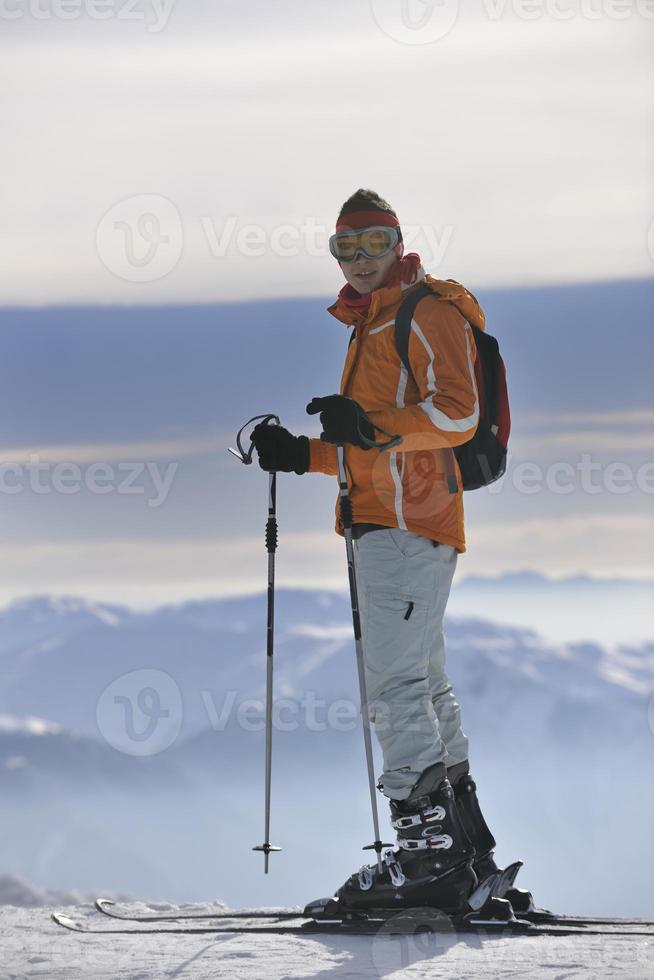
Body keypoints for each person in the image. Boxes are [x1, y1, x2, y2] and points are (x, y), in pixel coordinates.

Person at [251, 189, 505, 914]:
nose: (359, 260)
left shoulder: (426, 311)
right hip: (393, 522)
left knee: (396, 692)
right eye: (345, 247)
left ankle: (426, 862)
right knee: (422, 685)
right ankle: (462, 849)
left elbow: (457, 414)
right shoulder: (373, 324)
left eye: (373, 243)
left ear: (399, 243)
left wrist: (368, 428)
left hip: (406, 529)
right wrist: (302, 454)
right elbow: (382, 447)